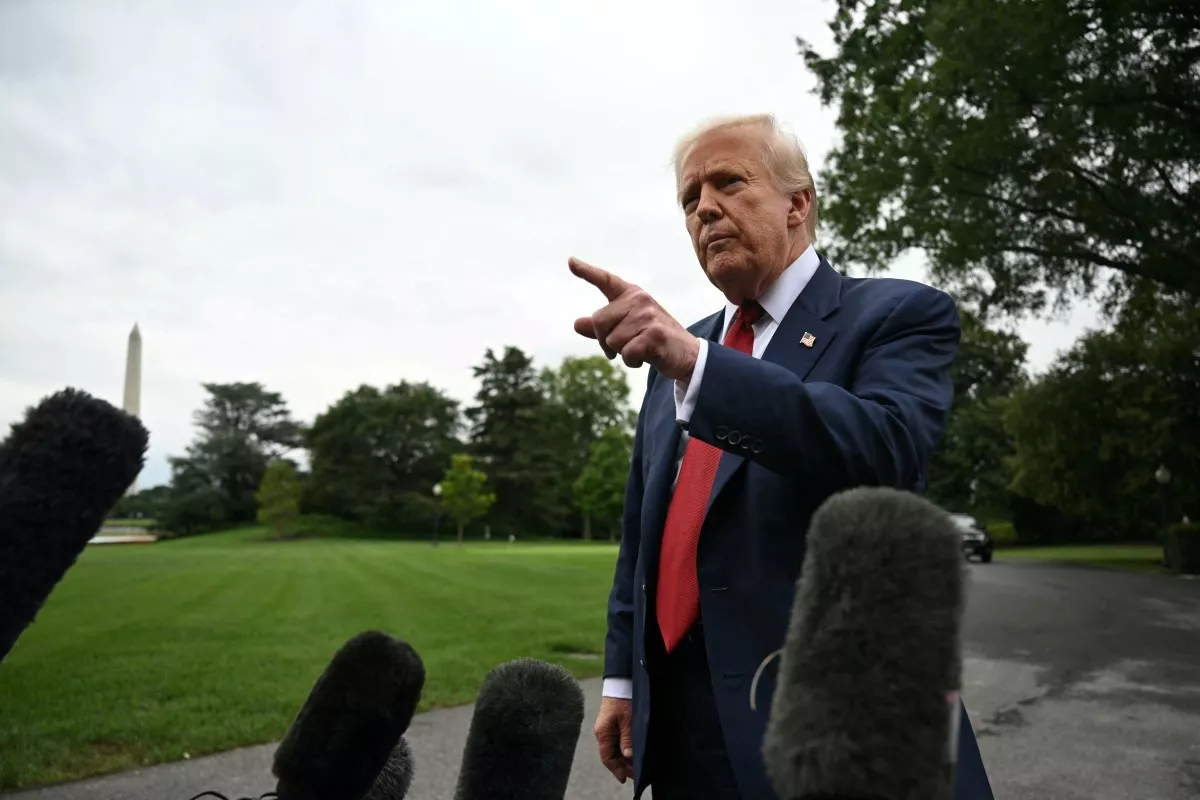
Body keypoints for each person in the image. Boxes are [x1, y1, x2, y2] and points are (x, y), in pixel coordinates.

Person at [570, 114, 995, 800]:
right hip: (682, 730)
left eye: (729, 182)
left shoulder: (894, 315)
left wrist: (698, 365)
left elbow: (884, 449)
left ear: (799, 204)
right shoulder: (676, 356)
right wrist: (622, 679)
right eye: (689, 199)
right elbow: (643, 541)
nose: (705, 207)